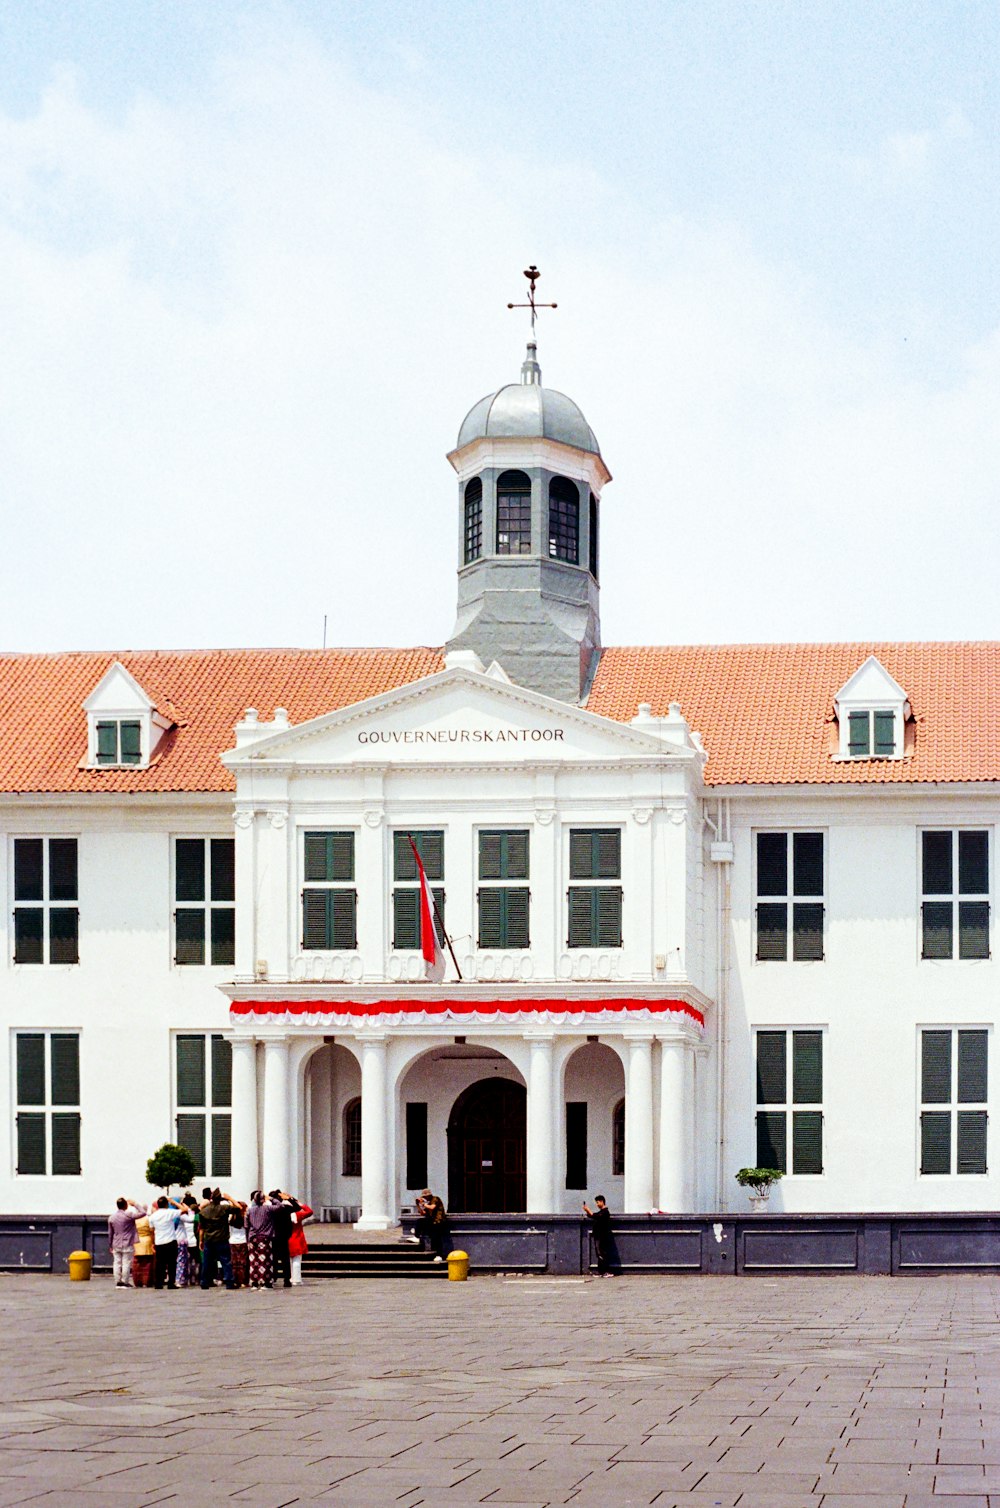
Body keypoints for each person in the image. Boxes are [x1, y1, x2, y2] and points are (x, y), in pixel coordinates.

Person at [198, 1189, 237, 1290]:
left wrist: (201, 1240)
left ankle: (204, 1281)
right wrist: (230, 1198)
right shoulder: (224, 1208)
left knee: (207, 1262)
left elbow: (201, 1228)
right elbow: (238, 1208)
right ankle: (229, 1282)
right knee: (226, 1261)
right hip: (222, 1238)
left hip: (209, 1239)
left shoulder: (203, 1211)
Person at [107, 1197, 146, 1288]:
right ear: (125, 1205)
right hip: (127, 1242)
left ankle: (117, 1281)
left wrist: (110, 1244)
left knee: (116, 1263)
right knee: (126, 1263)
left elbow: (110, 1233)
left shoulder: (111, 1218)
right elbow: (143, 1213)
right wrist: (135, 1204)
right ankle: (125, 1281)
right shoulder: (129, 1215)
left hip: (116, 1243)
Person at [148, 1195, 181, 1289]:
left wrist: (152, 1243)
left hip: (159, 1241)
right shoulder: (170, 1212)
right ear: (167, 1204)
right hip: (170, 1241)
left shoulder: (153, 1216)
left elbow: (152, 1231)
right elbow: (184, 1210)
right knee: (172, 1263)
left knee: (159, 1264)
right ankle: (171, 1283)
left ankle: (158, 1282)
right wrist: (174, 1202)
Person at [245, 1190, 275, 1290]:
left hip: (253, 1238)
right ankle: (265, 1282)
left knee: (253, 1261)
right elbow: (281, 1206)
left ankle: (254, 1282)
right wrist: (271, 1199)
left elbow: (246, 1225)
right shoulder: (267, 1209)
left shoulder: (249, 1210)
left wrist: (248, 1239)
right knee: (265, 1261)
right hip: (264, 1238)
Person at [583, 1195, 617, 1276]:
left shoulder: (605, 1212)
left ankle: (605, 1271)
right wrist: (587, 1211)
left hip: (602, 1236)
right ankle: (602, 1271)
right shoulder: (602, 1212)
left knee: (602, 1253)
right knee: (600, 1254)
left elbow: (596, 1216)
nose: (597, 1204)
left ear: (602, 1201)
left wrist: (588, 1210)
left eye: (597, 1202)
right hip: (599, 1236)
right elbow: (593, 1215)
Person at [412, 1189, 450, 1262]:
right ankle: (416, 1236)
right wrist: (418, 1205)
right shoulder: (428, 1203)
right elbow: (422, 1213)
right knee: (420, 1222)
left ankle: (439, 1255)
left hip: (439, 1222)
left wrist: (423, 1204)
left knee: (437, 1238)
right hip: (432, 1222)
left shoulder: (435, 1199)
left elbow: (432, 1207)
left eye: (425, 1197)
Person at [268, 1190, 294, 1288]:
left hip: (273, 1236)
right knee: (285, 1259)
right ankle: (286, 1279)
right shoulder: (285, 1208)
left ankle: (273, 1276)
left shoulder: (269, 1209)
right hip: (284, 1236)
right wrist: (290, 1199)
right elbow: (297, 1207)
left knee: (272, 1258)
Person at [173, 1194, 199, 1287]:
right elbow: (191, 1219)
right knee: (182, 1261)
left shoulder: (170, 1214)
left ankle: (177, 1279)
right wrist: (188, 1209)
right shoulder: (180, 1215)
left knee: (176, 1261)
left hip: (173, 1240)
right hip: (182, 1239)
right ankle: (180, 1279)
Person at [287, 1197, 314, 1286]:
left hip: (287, 1240)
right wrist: (299, 1203)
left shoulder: (282, 1215)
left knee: (290, 1261)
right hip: (297, 1240)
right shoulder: (297, 1215)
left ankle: (291, 1277)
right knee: (297, 1261)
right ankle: (297, 1279)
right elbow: (309, 1211)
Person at [132, 1209, 155, 1288]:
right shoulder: (148, 1219)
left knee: (137, 1264)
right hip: (147, 1241)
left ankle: (137, 1281)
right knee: (148, 1263)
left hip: (137, 1242)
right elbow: (152, 1231)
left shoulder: (135, 1220)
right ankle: (147, 1281)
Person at [229, 1204, 249, 1288]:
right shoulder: (244, 1219)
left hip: (233, 1241)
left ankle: (235, 1280)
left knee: (234, 1262)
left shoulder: (231, 1219)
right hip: (243, 1241)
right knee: (243, 1262)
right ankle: (243, 1281)